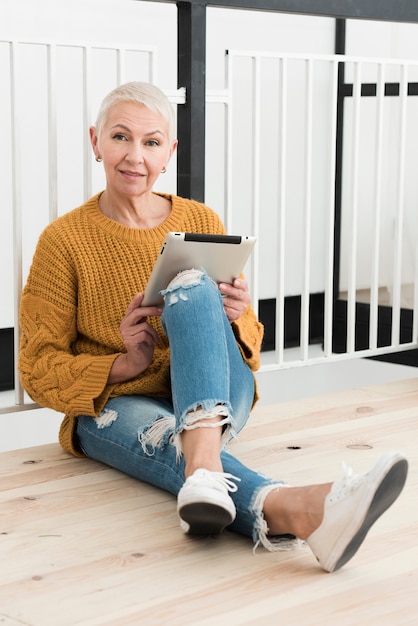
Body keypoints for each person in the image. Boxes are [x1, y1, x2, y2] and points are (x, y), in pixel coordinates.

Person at [19, 81, 408, 573]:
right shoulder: (62, 241)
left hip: (218, 393)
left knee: (188, 282)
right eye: (120, 137)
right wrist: (122, 363)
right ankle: (298, 508)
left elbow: (244, 346)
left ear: (169, 152)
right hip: (117, 406)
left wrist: (237, 312)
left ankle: (204, 467)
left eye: (152, 142)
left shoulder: (199, 218)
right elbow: (36, 367)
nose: (135, 156)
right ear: (95, 141)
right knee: (108, 422)